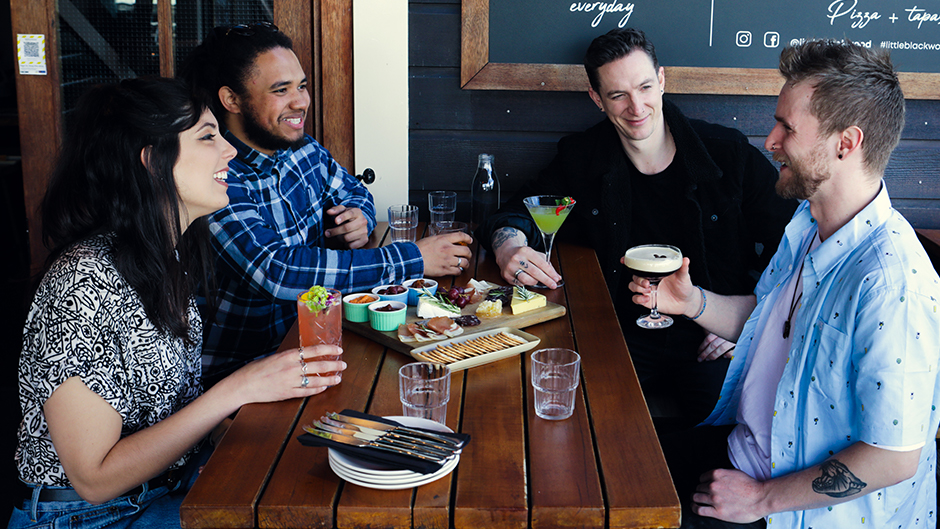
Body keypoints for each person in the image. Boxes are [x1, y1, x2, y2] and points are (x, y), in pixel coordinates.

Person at [8, 77, 346, 529]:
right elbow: (94, 479)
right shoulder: (82, 283)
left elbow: (168, 414)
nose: (230, 151)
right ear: (152, 162)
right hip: (85, 517)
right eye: (208, 136)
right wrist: (239, 389)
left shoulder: (163, 255)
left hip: (167, 489)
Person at [631, 40, 940, 528]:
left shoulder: (891, 282)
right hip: (745, 453)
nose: (770, 140)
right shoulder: (807, 224)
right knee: (608, 461)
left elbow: (893, 456)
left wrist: (759, 500)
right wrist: (691, 303)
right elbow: (770, 323)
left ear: (846, 142)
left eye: (787, 127)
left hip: (791, 509)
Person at [477, 28, 797, 426]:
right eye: (617, 95)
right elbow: (519, 211)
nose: (636, 106)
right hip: (618, 335)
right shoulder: (582, 158)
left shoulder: (727, 154)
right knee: (583, 426)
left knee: (725, 438)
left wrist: (745, 321)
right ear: (597, 99)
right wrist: (508, 245)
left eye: (645, 86)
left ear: (662, 80)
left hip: (709, 336)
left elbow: (793, 246)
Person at [178, 22, 472, 383]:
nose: (301, 101)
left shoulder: (301, 148)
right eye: (281, 90)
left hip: (313, 347)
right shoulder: (216, 174)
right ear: (231, 100)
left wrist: (358, 217)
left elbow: (354, 190)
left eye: (301, 86)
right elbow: (276, 270)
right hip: (240, 377)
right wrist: (413, 258)